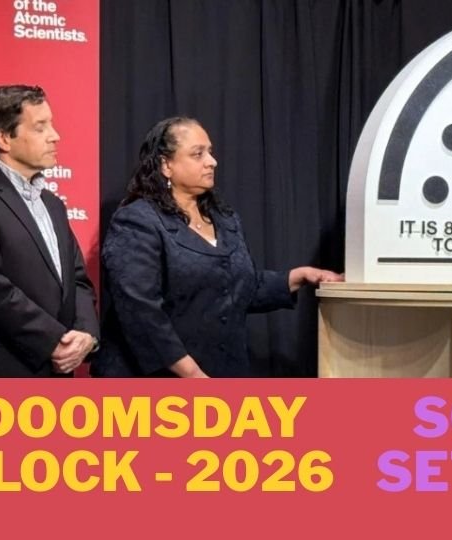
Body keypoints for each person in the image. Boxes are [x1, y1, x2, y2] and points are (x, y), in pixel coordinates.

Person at [94, 116, 342, 377]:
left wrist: (299, 277)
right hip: (158, 384)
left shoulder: (224, 219)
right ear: (166, 165)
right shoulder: (138, 221)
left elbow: (235, 288)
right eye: (197, 154)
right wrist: (191, 374)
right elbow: (140, 312)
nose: (212, 161)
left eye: (210, 152)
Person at [0, 85, 99, 377]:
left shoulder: (52, 203)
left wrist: (85, 334)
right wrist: (53, 340)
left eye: (51, 124)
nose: (56, 136)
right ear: (4, 138)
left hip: (57, 373)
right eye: (40, 127)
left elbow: (78, 280)